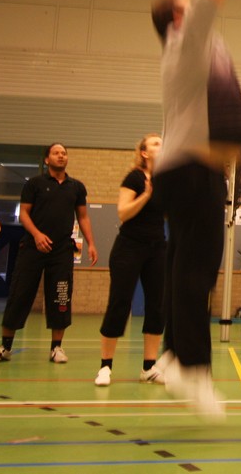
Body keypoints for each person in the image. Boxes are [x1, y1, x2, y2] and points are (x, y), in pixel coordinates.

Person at [149, 0, 241, 420]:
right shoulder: (188, 42)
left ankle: (171, 354)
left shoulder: (186, 44)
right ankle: (195, 371)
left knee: (180, 265)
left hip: (182, 170)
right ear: (179, 16)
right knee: (197, 272)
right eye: (188, 0)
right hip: (192, 170)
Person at [0, 143, 97, 364]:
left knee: (61, 297)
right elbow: (24, 214)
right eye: (56, 153)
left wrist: (91, 243)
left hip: (62, 251)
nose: (61, 156)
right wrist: (37, 235)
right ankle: (5, 347)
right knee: (19, 294)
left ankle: (56, 348)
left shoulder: (76, 187)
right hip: (32, 248)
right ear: (47, 159)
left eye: (64, 153)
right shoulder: (34, 184)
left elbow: (83, 217)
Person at [95, 133, 168, 387]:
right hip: (129, 247)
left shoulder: (163, 181)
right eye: (156, 143)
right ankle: (105, 366)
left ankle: (149, 367)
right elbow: (123, 213)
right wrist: (146, 195)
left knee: (157, 306)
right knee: (119, 303)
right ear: (144, 153)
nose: (162, 145)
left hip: (157, 248)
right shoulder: (135, 178)